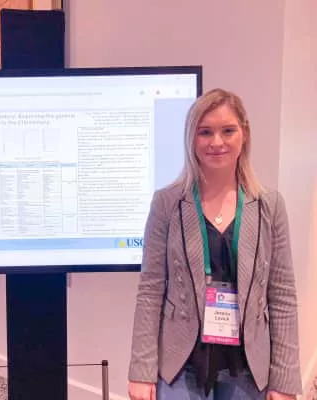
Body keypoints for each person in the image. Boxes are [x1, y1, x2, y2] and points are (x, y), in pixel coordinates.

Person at [127, 88, 302, 400]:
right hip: (182, 363)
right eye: (205, 132)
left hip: (247, 365)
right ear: (191, 138)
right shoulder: (167, 203)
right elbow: (150, 290)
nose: (216, 142)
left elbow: (283, 296)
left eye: (228, 131)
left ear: (244, 134)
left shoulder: (269, 205)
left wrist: (284, 378)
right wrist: (141, 370)